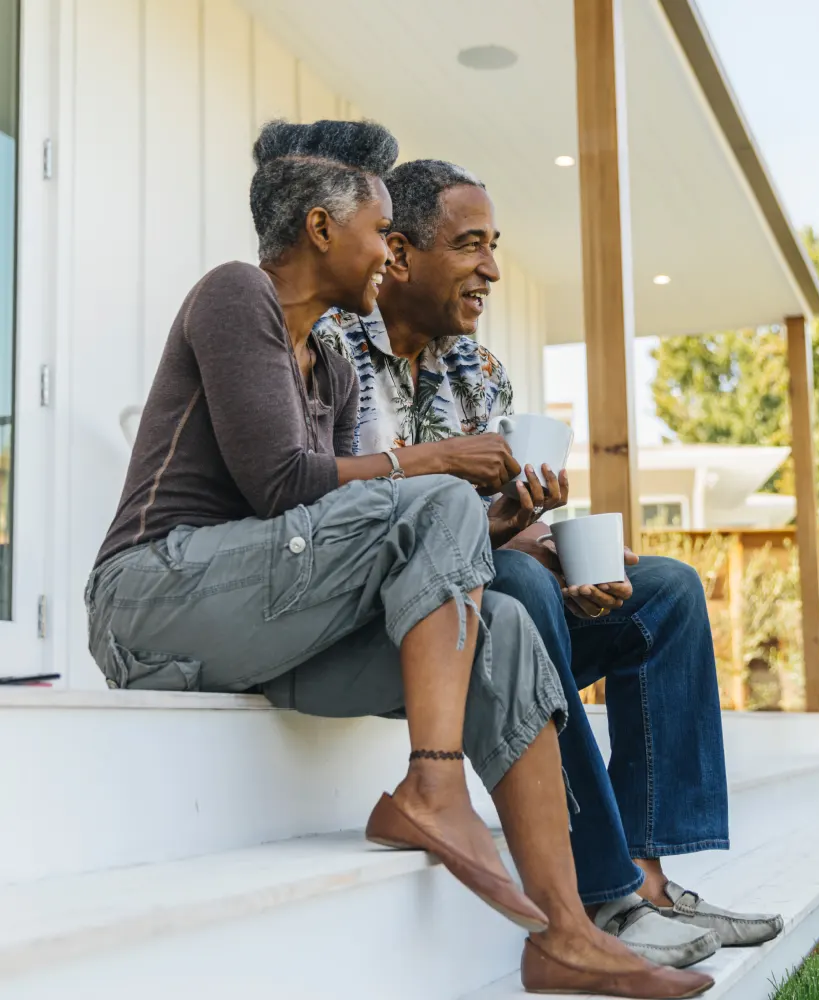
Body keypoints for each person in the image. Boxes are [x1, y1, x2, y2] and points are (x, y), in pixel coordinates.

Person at [86, 120, 712, 999]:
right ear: (318, 229)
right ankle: (432, 785)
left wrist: (491, 522)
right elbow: (281, 484)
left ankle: (567, 933)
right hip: (152, 600)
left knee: (499, 631)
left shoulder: (331, 373)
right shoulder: (237, 296)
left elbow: (361, 525)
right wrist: (444, 463)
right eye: (382, 232)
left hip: (264, 625)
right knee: (441, 496)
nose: (390, 254)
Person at [313, 158, 785, 969]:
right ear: (398, 254)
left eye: (494, 247)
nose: (491, 269)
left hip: (493, 594)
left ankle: (648, 877)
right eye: (470, 246)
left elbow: (498, 529)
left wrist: (555, 544)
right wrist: (515, 547)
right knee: (524, 584)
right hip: (398, 624)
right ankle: (600, 890)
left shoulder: (479, 370)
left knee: (663, 590)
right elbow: (333, 517)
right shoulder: (330, 349)